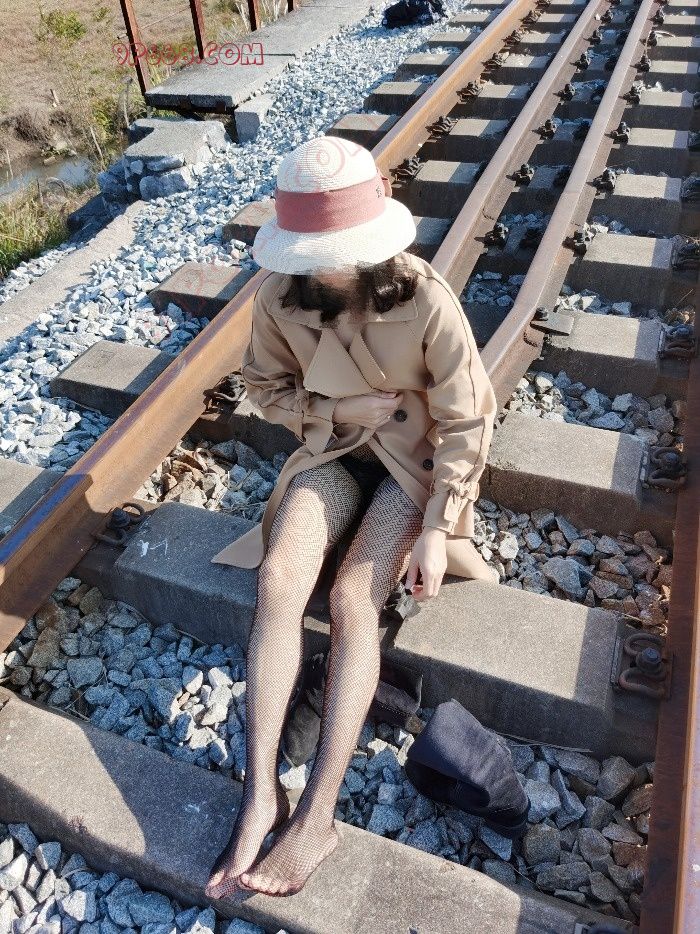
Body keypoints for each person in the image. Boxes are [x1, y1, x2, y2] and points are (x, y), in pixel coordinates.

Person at [204, 135, 498, 899]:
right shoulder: (279, 297)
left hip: (411, 467)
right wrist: (338, 409)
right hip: (332, 451)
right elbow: (264, 388)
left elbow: (469, 417)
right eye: (313, 253)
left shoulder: (424, 297)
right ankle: (260, 793)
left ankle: (318, 814)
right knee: (278, 579)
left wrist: (437, 528)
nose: (324, 266)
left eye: (333, 251)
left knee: (350, 600)